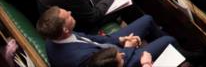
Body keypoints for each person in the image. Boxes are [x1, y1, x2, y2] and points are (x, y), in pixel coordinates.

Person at [37, 6, 177, 67]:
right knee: (169, 41)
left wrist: (120, 40)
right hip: (120, 61)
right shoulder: (79, 58)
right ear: (65, 29)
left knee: (147, 19)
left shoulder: (56, 36)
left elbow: (92, 39)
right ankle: (184, 56)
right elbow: (112, 63)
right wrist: (128, 47)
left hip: (108, 48)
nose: (70, 12)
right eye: (67, 16)